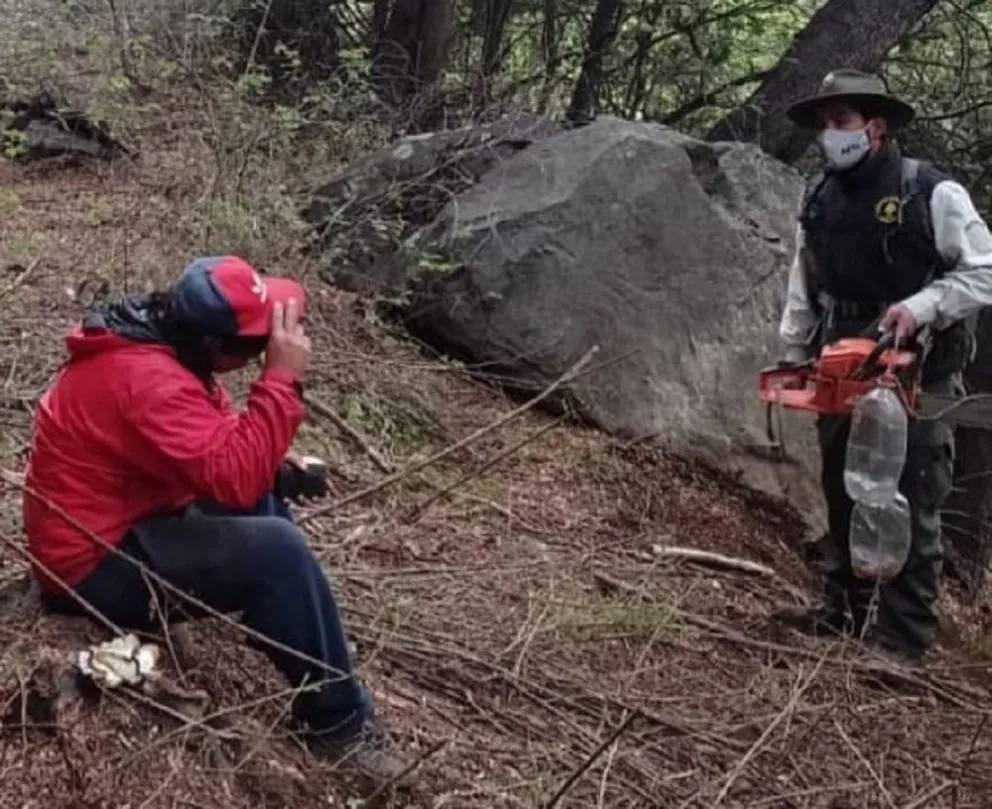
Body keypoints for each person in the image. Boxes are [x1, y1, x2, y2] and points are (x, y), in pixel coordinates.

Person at [22, 255, 415, 788]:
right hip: (90, 566)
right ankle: (337, 725)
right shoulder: (147, 379)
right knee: (277, 550)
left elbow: (205, 436)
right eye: (256, 347)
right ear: (217, 347)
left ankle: (292, 628)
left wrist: (269, 460)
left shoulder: (160, 340)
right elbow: (229, 474)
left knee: (263, 495)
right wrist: (281, 380)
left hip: (129, 517)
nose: (264, 350)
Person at [772, 69, 992, 665]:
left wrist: (922, 307)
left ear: (875, 125)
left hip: (916, 371)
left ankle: (901, 641)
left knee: (911, 498)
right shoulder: (819, 196)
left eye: (841, 120)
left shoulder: (930, 191)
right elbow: (804, 279)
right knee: (841, 487)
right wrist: (793, 351)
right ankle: (842, 609)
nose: (831, 132)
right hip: (841, 364)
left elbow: (984, 271)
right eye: (824, 123)